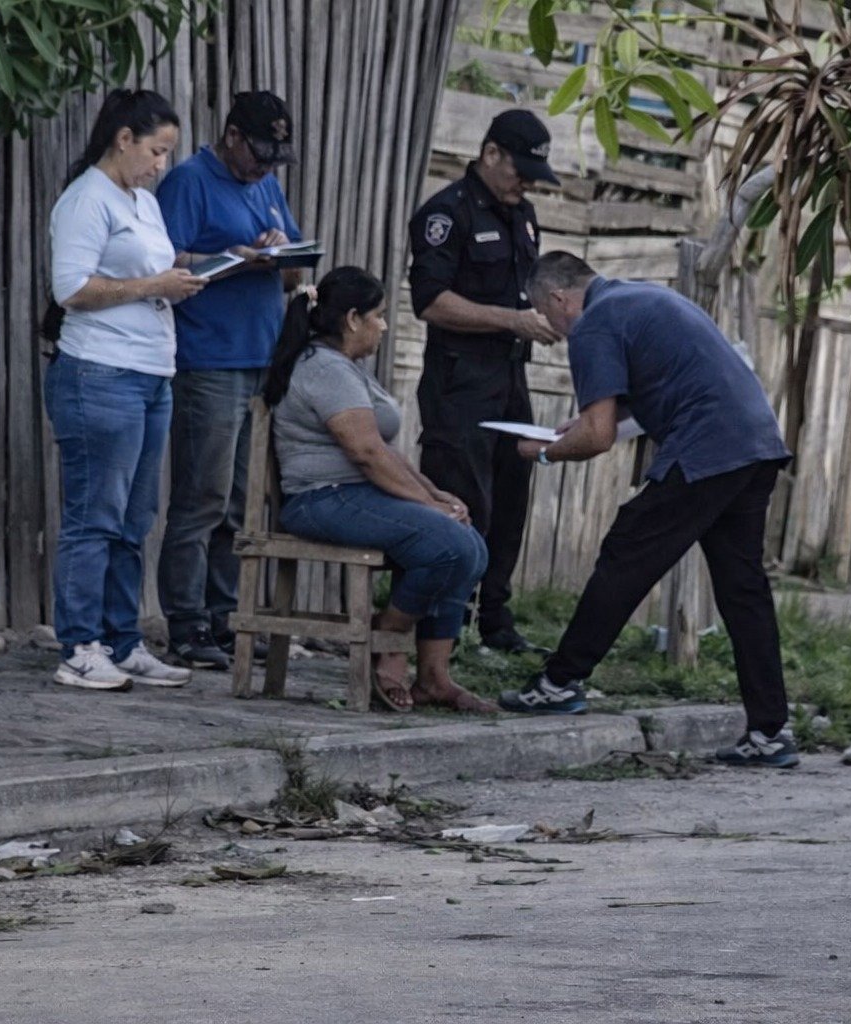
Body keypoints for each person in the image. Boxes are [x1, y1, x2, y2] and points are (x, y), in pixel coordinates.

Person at [497, 252, 798, 767]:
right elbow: (647, 392)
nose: (552, 327)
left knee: (626, 552)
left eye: (546, 316)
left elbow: (598, 435)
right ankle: (770, 731)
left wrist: (542, 451)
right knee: (742, 587)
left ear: (558, 298)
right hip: (755, 442)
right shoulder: (640, 297)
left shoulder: (593, 325)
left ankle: (559, 681)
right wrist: (575, 427)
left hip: (709, 447)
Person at [266, 267, 496, 714]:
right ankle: (385, 640)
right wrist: (429, 505)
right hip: (320, 499)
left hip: (353, 494)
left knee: (472, 545)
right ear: (353, 318)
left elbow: (386, 452)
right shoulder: (324, 369)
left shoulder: (347, 366)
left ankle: (434, 679)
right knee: (449, 544)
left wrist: (436, 495)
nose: (384, 325)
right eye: (380, 315)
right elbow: (367, 453)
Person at [44, 89, 202, 691]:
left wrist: (189, 274)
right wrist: (154, 284)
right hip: (99, 372)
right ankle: (79, 646)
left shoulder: (141, 201)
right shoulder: (87, 199)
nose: (162, 164)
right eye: (158, 151)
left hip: (151, 374)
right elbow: (72, 288)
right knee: (94, 515)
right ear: (124, 138)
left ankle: (122, 639)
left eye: (169, 154)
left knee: (135, 517)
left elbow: (150, 269)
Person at [155, 91, 305, 670]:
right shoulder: (190, 181)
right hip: (208, 360)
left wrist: (282, 252)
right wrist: (232, 259)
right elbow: (161, 262)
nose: (266, 166)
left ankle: (225, 616)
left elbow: (294, 272)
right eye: (258, 152)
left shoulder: (265, 186)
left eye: (276, 155)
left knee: (241, 502)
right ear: (232, 137)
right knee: (203, 498)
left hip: (257, 360)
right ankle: (186, 622)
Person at [407, 108, 564, 653]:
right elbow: (430, 302)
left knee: (510, 497)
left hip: (511, 375)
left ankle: (493, 620)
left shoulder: (525, 217)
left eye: (533, 175)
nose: (524, 183)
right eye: (518, 169)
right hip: (460, 382)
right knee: (460, 500)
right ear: (490, 154)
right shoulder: (446, 214)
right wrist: (510, 320)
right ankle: (438, 628)